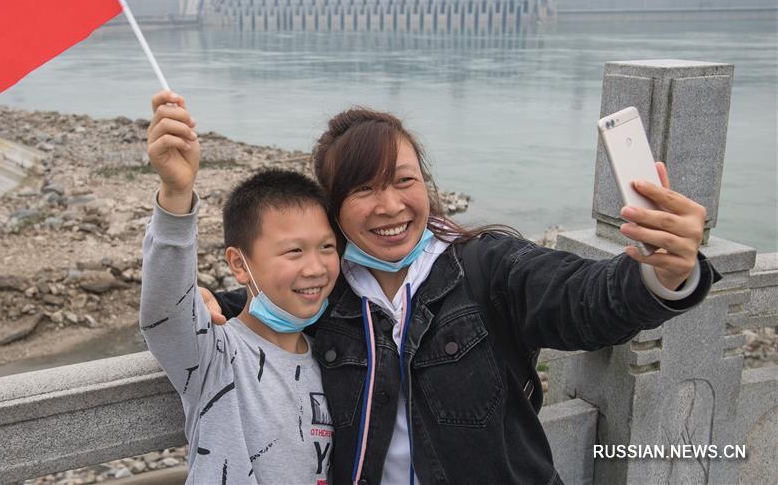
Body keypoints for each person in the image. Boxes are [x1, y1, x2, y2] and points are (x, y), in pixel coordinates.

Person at [203, 106, 721, 485]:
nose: (389, 206)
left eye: (403, 181)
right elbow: (268, 298)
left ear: (426, 184)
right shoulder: (329, 293)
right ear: (333, 213)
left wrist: (662, 274)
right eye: (363, 190)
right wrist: (210, 302)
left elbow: (582, 298)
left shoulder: (485, 268)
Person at [140, 90, 338, 484]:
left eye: (327, 247)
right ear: (239, 264)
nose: (316, 267)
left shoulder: (330, 359)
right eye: (294, 251)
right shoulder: (216, 355)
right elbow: (165, 310)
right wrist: (177, 194)